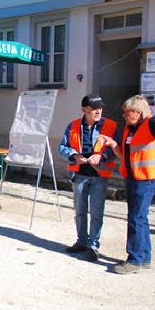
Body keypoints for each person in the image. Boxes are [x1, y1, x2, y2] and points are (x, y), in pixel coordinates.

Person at [99, 95, 155, 274]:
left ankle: (134, 260)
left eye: (127, 113)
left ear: (138, 112)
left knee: (136, 218)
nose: (124, 116)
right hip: (135, 176)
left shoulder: (151, 122)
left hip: (146, 178)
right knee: (141, 217)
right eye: (124, 113)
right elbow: (124, 155)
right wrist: (112, 144)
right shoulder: (130, 128)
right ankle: (145, 257)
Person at [57, 94, 117, 262]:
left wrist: (102, 156)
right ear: (84, 110)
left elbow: (117, 148)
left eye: (100, 108)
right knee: (80, 211)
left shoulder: (111, 125)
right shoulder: (73, 126)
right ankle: (81, 242)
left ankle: (93, 245)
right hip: (79, 174)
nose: (98, 111)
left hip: (99, 175)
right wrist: (75, 155)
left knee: (97, 212)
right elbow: (62, 147)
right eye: (94, 108)